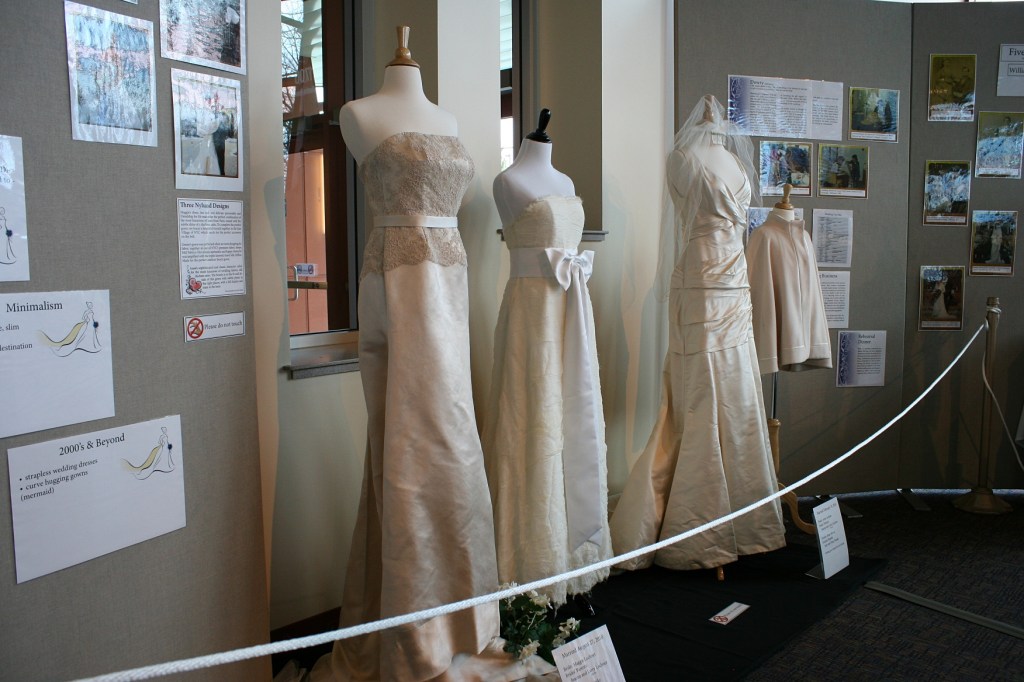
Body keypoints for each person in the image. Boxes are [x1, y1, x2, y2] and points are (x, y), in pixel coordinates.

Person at [310, 27, 534, 682]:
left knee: (447, 445)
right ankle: (419, 636)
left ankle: (457, 623)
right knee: (414, 448)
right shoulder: (357, 115)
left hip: (447, 285)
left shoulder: (448, 118)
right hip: (402, 288)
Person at [609, 95, 785, 572]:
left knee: (733, 390)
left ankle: (741, 521)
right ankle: (700, 527)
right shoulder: (683, 159)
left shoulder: (724, 159)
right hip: (705, 280)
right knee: (703, 393)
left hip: (731, 281)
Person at [484, 109, 612, 605]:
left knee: (573, 416)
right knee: (533, 421)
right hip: (531, 317)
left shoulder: (565, 179)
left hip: (571, 312)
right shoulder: (507, 182)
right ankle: (531, 559)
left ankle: (575, 551)